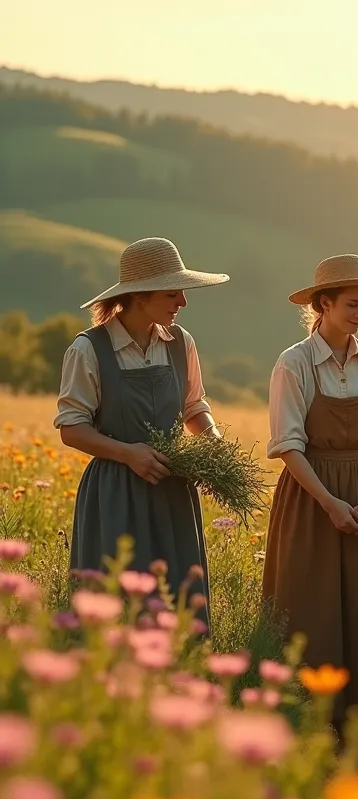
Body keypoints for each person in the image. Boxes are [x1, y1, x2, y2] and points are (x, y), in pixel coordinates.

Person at [54, 237, 228, 619]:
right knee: (118, 602)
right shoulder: (89, 349)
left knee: (177, 598)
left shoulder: (181, 343)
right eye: (172, 292)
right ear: (139, 295)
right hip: (115, 492)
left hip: (172, 489)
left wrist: (212, 440)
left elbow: (194, 406)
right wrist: (127, 453)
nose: (182, 302)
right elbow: (71, 427)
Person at [263, 254, 358, 723]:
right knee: (309, 601)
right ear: (323, 304)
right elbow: (287, 445)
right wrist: (327, 502)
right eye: (352, 305)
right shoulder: (294, 363)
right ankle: (306, 715)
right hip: (310, 494)